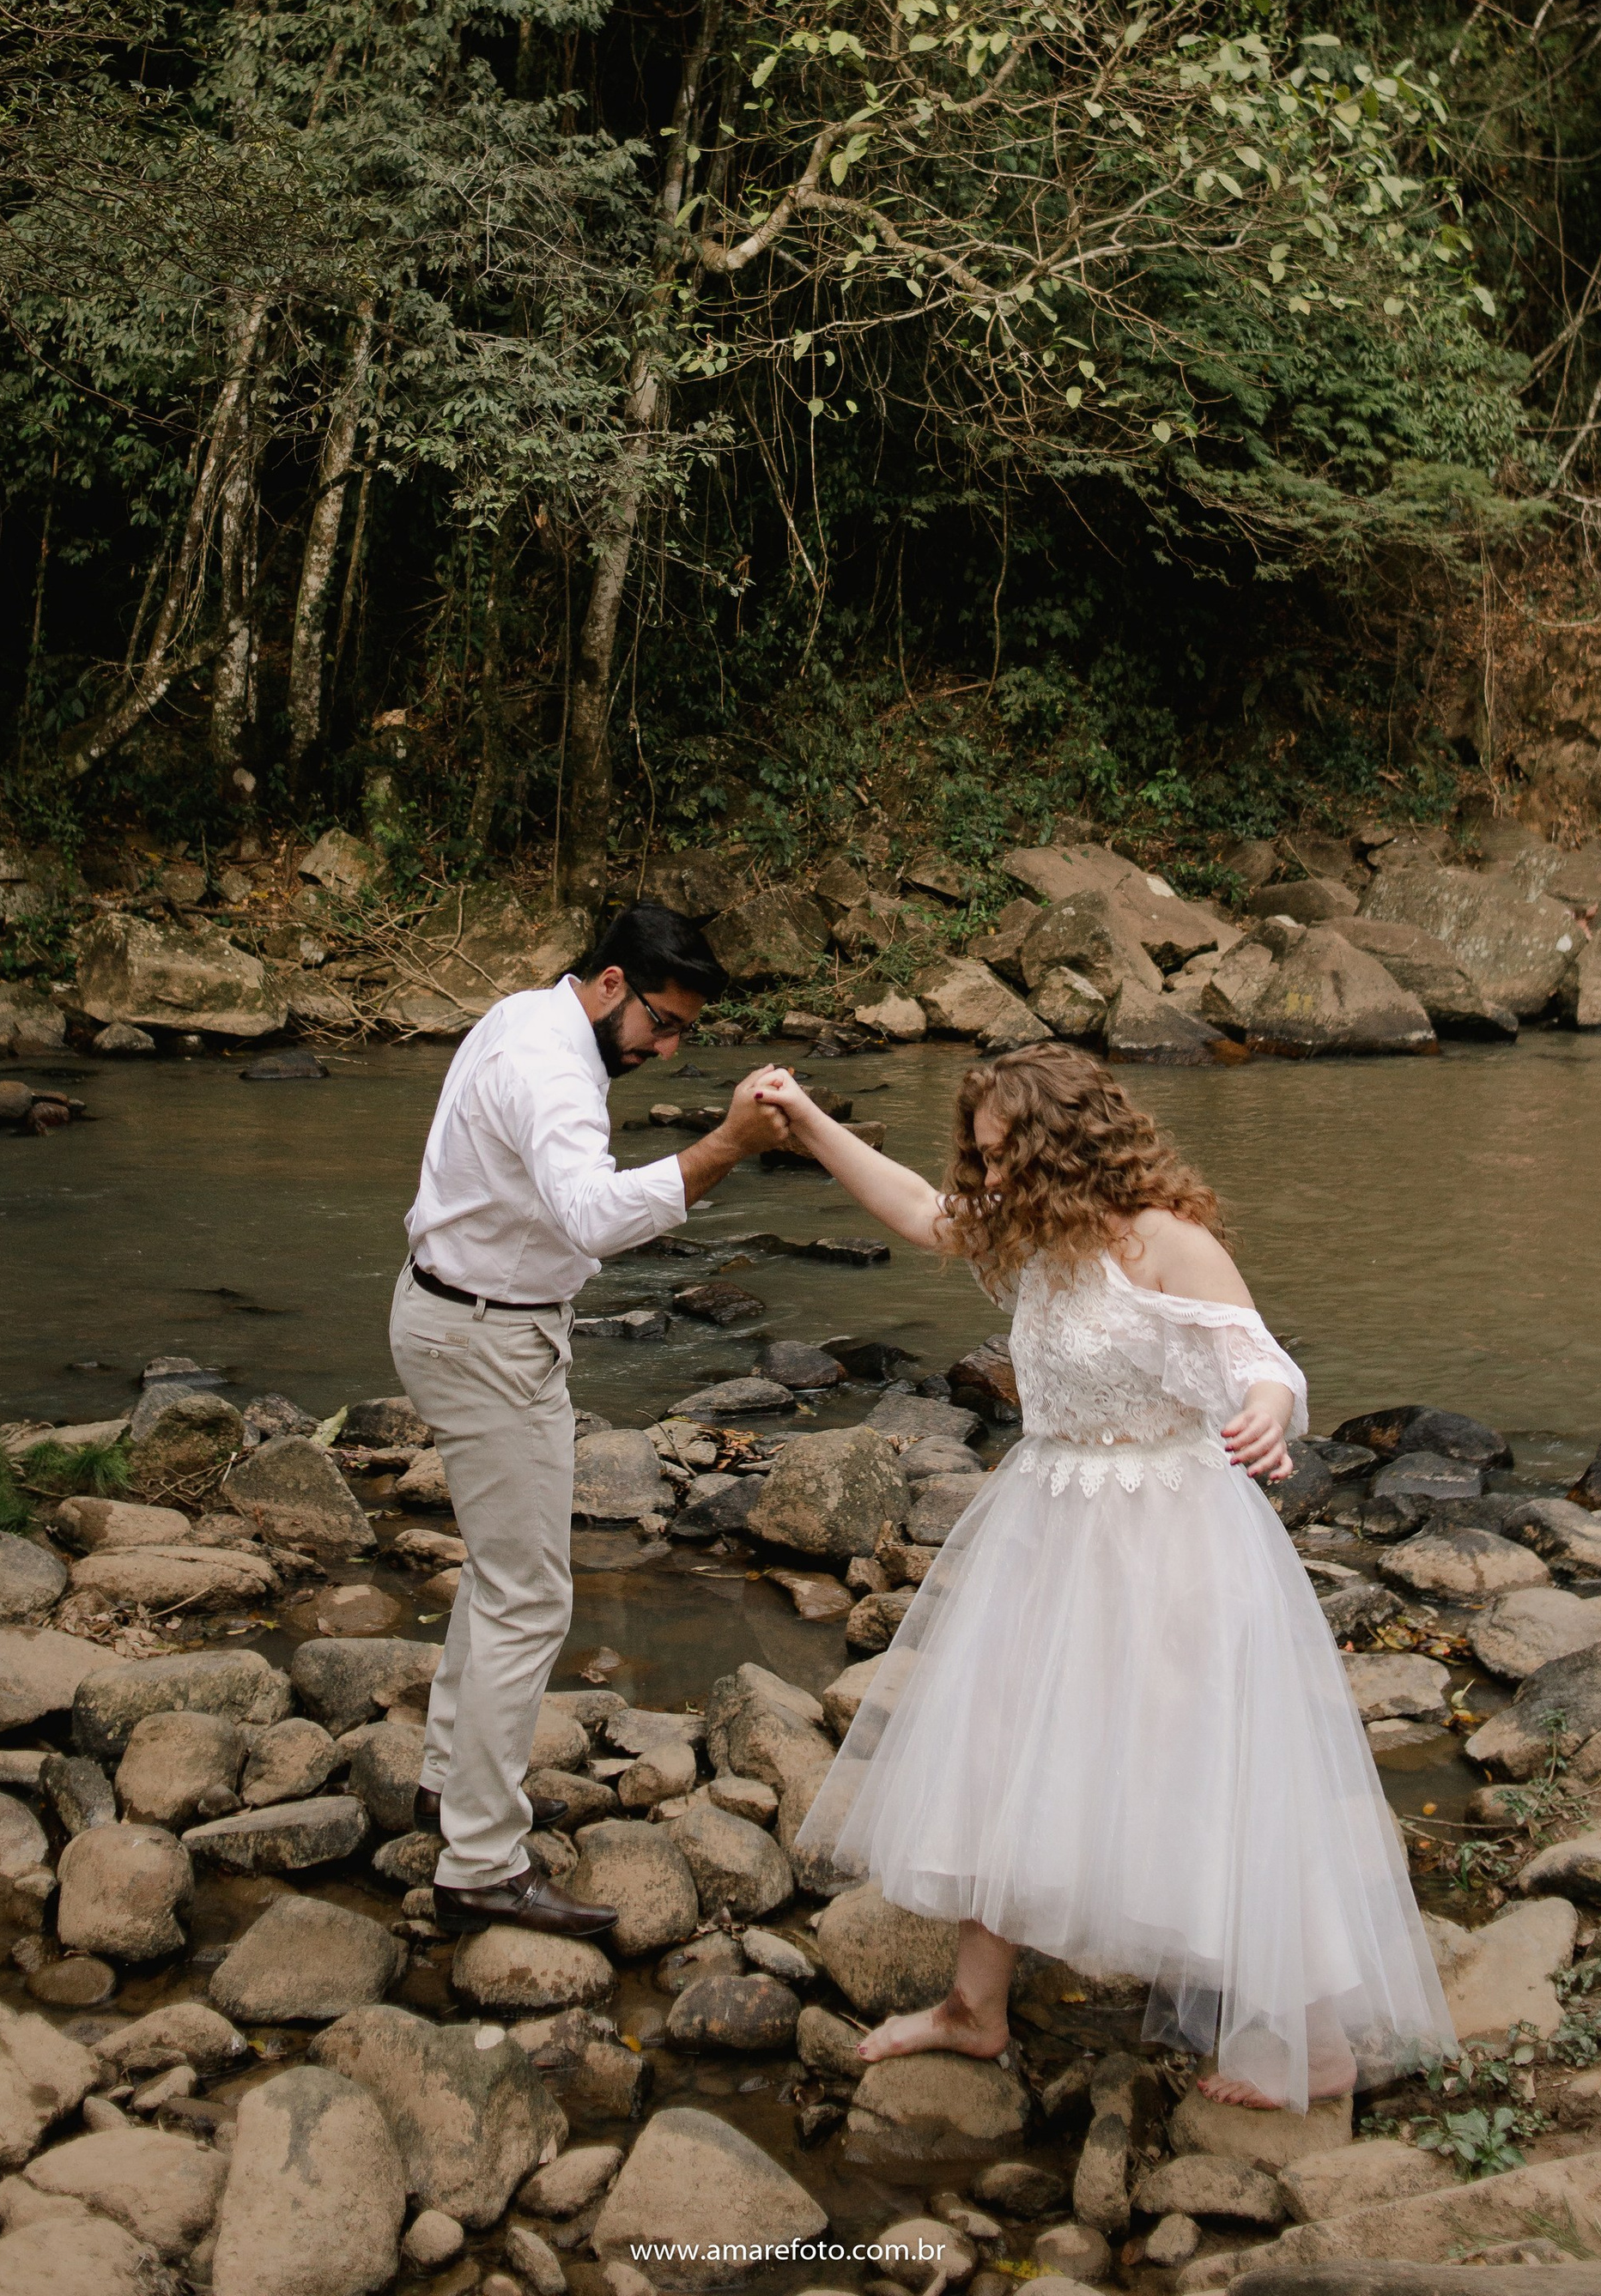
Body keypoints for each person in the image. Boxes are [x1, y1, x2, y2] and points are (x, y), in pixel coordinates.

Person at [749, 1041, 1454, 2111]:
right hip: (1049, 1522)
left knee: (1206, 1772)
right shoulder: (1032, 1230)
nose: (982, 1180)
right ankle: (973, 2011)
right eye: (977, 1159)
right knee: (999, 1748)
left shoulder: (1167, 1243)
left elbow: (1262, 1364)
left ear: (1058, 1147)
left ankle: (1312, 2042)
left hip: (1167, 1538)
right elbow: (910, 1207)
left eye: (998, 1157)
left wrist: (1264, 1419)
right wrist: (803, 1117)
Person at [390, 901, 786, 1936]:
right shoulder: (554, 1071)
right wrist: (727, 1146)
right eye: (663, 1023)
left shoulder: (529, 1014)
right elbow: (595, 1217)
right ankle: (479, 1862)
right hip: (487, 1341)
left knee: (499, 1572)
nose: (668, 1047)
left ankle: (448, 1785)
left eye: (686, 1033)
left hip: (453, 1313)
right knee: (530, 1599)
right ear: (610, 983)